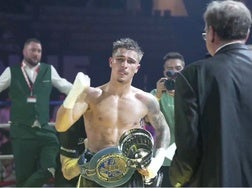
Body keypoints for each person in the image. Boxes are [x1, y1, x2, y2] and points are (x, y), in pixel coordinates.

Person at [55, 38, 170, 187]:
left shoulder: (145, 100)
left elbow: (163, 129)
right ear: (111, 62)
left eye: (130, 61)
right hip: (94, 172)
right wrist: (73, 95)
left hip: (130, 172)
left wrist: (157, 160)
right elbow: (61, 126)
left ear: (137, 68)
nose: (124, 65)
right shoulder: (91, 96)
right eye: (120, 59)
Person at [169, 1, 252, 187]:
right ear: (246, 34)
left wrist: (175, 180)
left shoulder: (193, 75)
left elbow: (189, 149)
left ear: (212, 33)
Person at [0, 38, 72, 186]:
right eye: (33, 50)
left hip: (44, 130)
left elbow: (66, 86)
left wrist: (88, 91)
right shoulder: (11, 72)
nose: (36, 54)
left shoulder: (48, 70)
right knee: (23, 176)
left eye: (39, 51)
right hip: (21, 132)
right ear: (24, 51)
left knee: (50, 167)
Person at [148, 52, 185, 187]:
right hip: (162, 157)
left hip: (185, 158)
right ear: (164, 71)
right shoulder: (154, 94)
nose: (173, 71)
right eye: (169, 69)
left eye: (178, 68)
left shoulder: (192, 92)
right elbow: (146, 120)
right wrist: (158, 95)